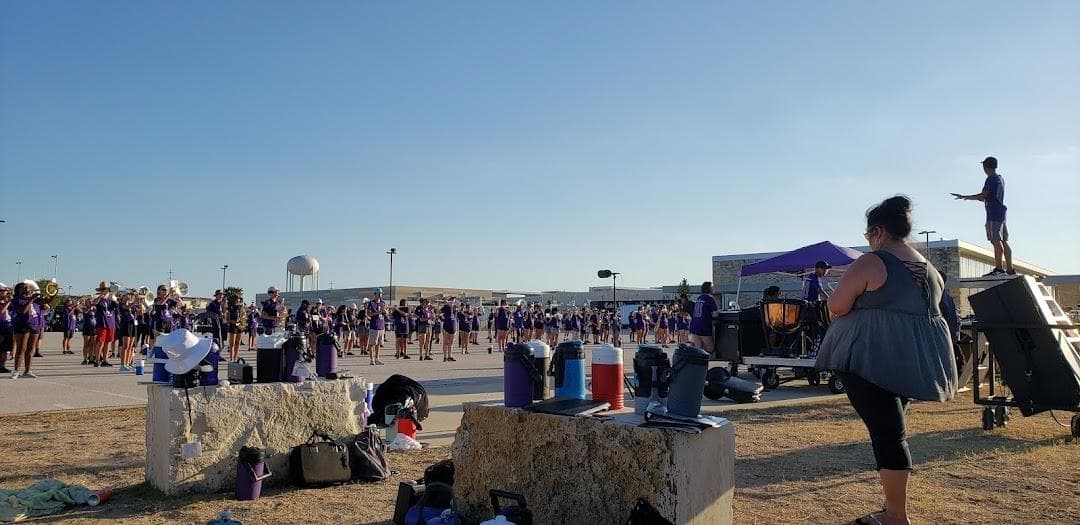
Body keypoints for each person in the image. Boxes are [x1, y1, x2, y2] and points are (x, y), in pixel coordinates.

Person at [815, 195, 957, 525]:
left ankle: (896, 516)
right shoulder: (929, 269)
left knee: (889, 435)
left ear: (878, 232)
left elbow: (837, 305)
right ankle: (891, 509)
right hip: (911, 361)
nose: (868, 242)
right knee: (891, 430)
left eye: (867, 236)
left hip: (870, 360)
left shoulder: (872, 262)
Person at [952, 156, 1014, 276]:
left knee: (996, 241)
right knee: (1004, 241)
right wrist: (971, 197)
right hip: (1001, 213)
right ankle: (1010, 269)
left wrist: (965, 196)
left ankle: (999, 269)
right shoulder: (1000, 179)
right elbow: (988, 197)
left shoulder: (991, 179)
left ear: (985, 167)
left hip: (993, 213)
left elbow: (983, 195)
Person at [689, 282, 719, 353]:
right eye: (712, 287)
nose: (714, 288)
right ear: (709, 289)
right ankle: (706, 362)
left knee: (698, 348)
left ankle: (698, 363)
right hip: (703, 325)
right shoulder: (709, 298)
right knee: (710, 348)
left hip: (694, 324)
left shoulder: (699, 298)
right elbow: (715, 314)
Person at [365, 288, 387, 365]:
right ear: (375, 294)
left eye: (381, 293)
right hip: (374, 326)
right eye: (379, 293)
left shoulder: (382, 303)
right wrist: (379, 312)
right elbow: (369, 314)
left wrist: (385, 312)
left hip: (381, 325)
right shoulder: (371, 303)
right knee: (372, 343)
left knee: (378, 344)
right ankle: (371, 359)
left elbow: (385, 313)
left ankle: (377, 358)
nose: (381, 295)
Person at [0, 283, 13, 374]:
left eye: (5, 292)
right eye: (3, 292)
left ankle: (2, 366)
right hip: (1, 326)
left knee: (5, 348)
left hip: (8, 326)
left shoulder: (7, 302)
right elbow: (1, 311)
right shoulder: (5, 303)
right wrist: (8, 301)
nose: (5, 294)